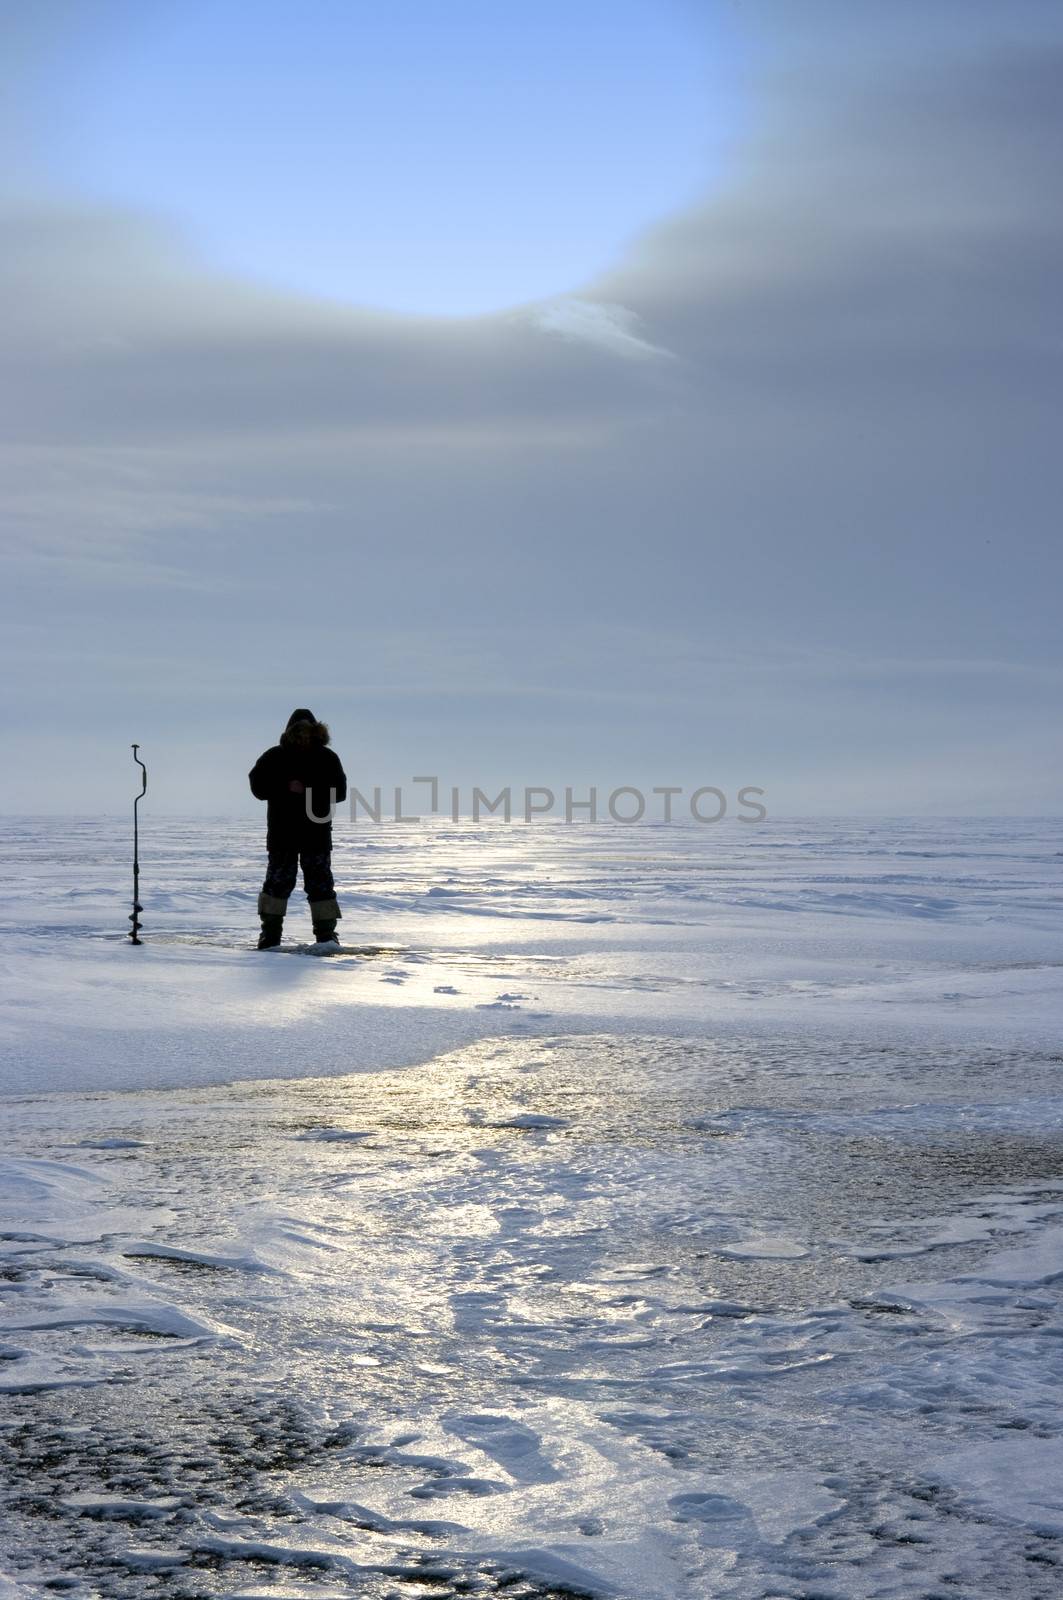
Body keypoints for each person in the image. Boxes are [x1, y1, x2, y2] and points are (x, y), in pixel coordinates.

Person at [249, 708, 347, 950]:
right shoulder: (275, 756)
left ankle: (326, 936)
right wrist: (284, 787)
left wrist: (308, 789)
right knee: (278, 886)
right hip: (285, 836)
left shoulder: (327, 758)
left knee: (320, 886)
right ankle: (270, 935)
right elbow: (257, 787)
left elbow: (341, 792)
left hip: (315, 835)